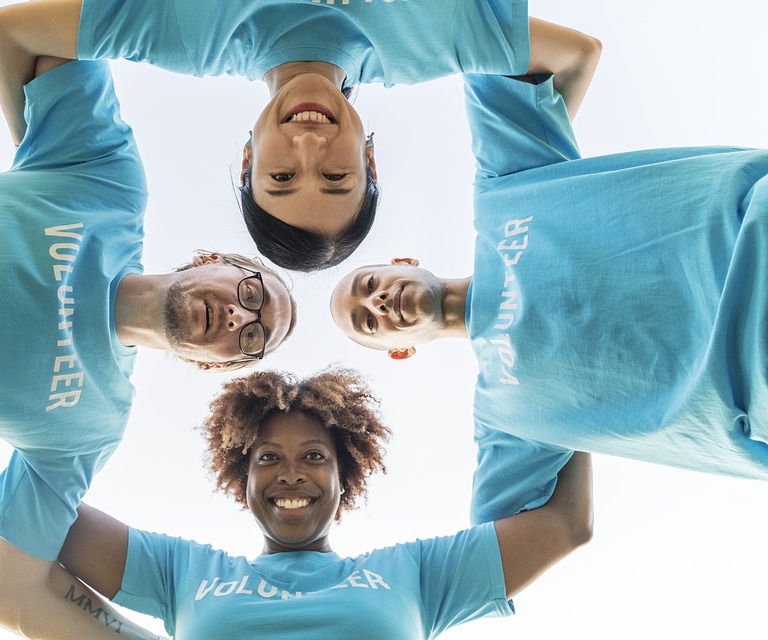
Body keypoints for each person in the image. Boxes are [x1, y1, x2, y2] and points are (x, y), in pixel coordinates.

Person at [0, 16, 295, 640]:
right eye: (252, 292)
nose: (239, 315)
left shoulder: (91, 423)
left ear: (214, 365)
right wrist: (39, 138)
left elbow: (13, 597)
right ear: (211, 260)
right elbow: (17, 34)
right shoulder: (106, 185)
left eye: (252, 338)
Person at [329, 29, 768, 527]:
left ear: (402, 263)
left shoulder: (503, 189)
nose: (379, 303)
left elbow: (536, 50)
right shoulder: (506, 418)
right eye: (368, 322)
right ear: (399, 350)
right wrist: (574, 420)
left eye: (369, 285)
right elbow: (507, 543)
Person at [0, 0, 597, 271]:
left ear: (245, 158)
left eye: (279, 177)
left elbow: (9, 32)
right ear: (371, 162)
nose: (307, 148)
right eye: (336, 177)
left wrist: (47, 181)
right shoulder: (434, 48)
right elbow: (574, 57)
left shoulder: (189, 37)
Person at [36, 368, 593, 640]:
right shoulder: (181, 571)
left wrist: (579, 378)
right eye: (268, 459)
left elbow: (567, 524)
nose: (292, 474)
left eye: (313, 456)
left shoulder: (418, 572)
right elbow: (45, 504)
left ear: (345, 475)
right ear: (242, 477)